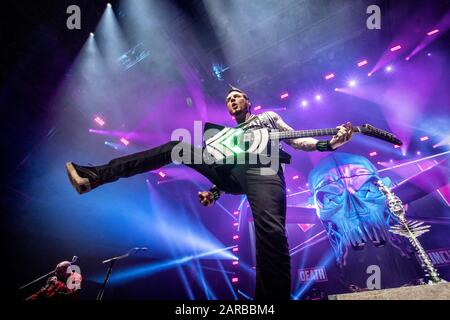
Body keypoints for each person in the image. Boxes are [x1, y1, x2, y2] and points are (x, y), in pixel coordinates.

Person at [66, 85, 353, 299]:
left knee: (272, 233)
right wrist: (215, 192)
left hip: (264, 172)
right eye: (228, 99)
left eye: (236, 96)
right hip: (236, 174)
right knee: (175, 148)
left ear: (247, 101)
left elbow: (299, 141)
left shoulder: (267, 119)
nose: (231, 100)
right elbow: (229, 170)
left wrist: (329, 144)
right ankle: (94, 176)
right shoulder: (226, 134)